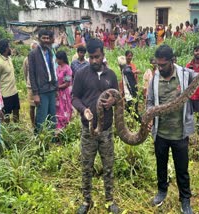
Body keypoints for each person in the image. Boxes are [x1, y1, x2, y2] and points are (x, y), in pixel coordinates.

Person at [147, 44, 199, 213]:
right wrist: (148, 117)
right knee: (160, 165)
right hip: (161, 133)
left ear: (172, 60)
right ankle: (162, 192)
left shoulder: (186, 74)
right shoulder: (154, 78)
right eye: (158, 64)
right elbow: (149, 101)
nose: (160, 68)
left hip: (180, 133)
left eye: (163, 64)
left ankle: (185, 200)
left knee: (182, 169)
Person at [72, 38, 120, 214]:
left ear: (103, 55)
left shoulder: (111, 75)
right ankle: (86, 201)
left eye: (96, 57)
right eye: (90, 57)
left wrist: (113, 101)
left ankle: (110, 200)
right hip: (88, 130)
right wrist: (84, 110)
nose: (93, 61)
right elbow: (74, 97)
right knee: (87, 165)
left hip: (106, 130)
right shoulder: (81, 74)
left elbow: (118, 97)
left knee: (108, 165)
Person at [28, 29, 58, 133]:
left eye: (47, 38)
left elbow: (53, 70)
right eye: (43, 38)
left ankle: (52, 139)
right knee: (41, 117)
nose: (46, 40)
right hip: (41, 90)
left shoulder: (49, 51)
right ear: (39, 38)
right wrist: (35, 94)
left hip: (51, 89)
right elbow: (32, 75)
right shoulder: (33, 54)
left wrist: (56, 87)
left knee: (52, 116)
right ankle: (39, 141)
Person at [0, 39, 20, 123]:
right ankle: (8, 131)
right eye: (9, 46)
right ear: (5, 48)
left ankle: (17, 129)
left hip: (14, 92)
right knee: (7, 115)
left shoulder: (8, 58)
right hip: (5, 94)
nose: (11, 48)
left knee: (16, 111)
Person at [118, 56, 140, 121]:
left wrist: (133, 96)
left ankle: (142, 125)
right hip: (129, 96)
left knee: (134, 113)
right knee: (130, 112)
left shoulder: (126, 71)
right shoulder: (125, 70)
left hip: (130, 96)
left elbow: (131, 85)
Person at [186, 45, 199, 113]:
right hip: (191, 96)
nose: (198, 53)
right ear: (193, 52)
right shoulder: (189, 65)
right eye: (196, 51)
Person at [55, 51, 73, 130]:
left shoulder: (67, 69)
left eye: (58, 59)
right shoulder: (57, 68)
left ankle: (65, 125)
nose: (57, 61)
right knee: (58, 109)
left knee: (64, 109)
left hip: (64, 93)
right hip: (58, 92)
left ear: (62, 59)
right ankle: (58, 126)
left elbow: (67, 83)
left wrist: (58, 87)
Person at [23, 41, 38, 127]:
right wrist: (28, 83)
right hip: (31, 86)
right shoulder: (26, 59)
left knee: (40, 106)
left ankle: (39, 123)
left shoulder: (41, 59)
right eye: (33, 49)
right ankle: (33, 125)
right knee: (32, 107)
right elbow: (25, 72)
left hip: (40, 86)